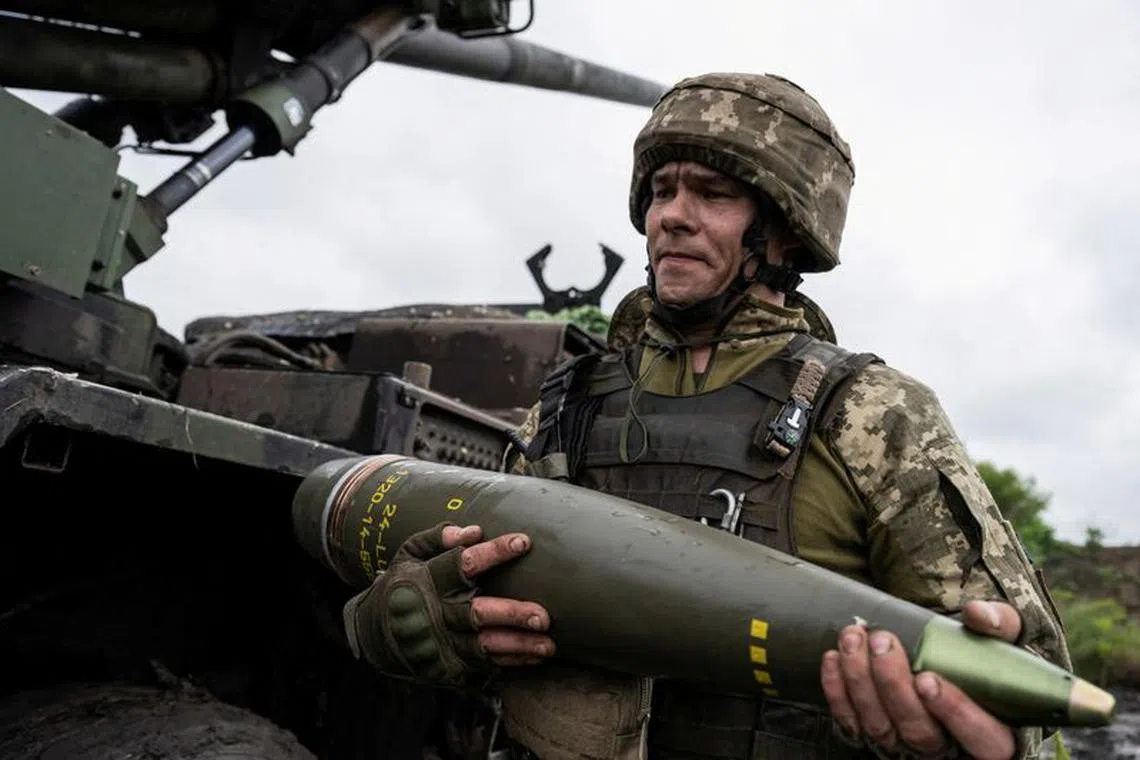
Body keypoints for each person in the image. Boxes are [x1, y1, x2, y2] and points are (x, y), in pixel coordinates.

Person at [341, 73, 1071, 760]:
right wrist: (409, 625)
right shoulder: (567, 405)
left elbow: (1031, 684)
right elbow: (477, 605)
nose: (672, 217)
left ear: (785, 227)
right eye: (661, 191)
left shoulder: (871, 415)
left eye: (712, 194)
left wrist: (975, 734)